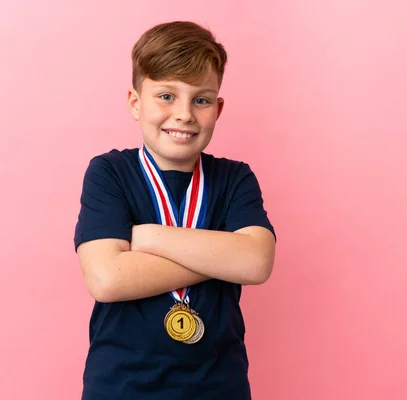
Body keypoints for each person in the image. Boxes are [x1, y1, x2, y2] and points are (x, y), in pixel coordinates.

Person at [74, 20, 276, 400]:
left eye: (200, 99)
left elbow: (255, 264)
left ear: (217, 107)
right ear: (136, 102)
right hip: (121, 387)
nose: (184, 114)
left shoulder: (234, 178)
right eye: (166, 96)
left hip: (219, 386)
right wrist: (221, 257)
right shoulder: (109, 173)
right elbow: (108, 279)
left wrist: (148, 238)